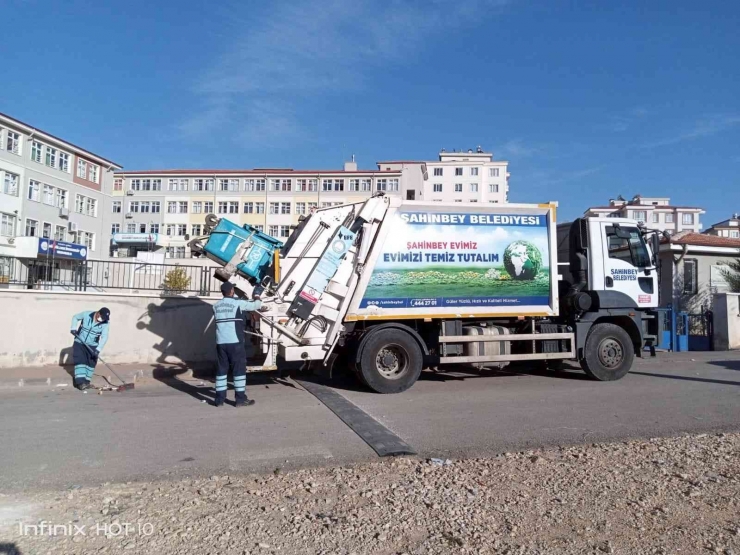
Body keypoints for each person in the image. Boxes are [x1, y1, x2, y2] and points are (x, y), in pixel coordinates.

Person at [213, 282, 262, 407]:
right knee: (238, 370)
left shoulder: (216, 306)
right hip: (235, 343)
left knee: (221, 370)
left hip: (220, 343)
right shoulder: (237, 303)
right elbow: (256, 305)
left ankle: (219, 400)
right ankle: (240, 399)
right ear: (232, 291)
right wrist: (257, 294)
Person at [70, 307, 111, 390]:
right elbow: (75, 317)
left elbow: (105, 337)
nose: (102, 320)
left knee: (91, 363)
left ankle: (86, 382)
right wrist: (73, 328)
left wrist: (98, 349)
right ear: (98, 313)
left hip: (93, 345)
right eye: (102, 317)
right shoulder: (87, 314)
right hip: (80, 342)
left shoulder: (106, 323)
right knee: (80, 361)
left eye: (104, 319)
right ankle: (80, 383)